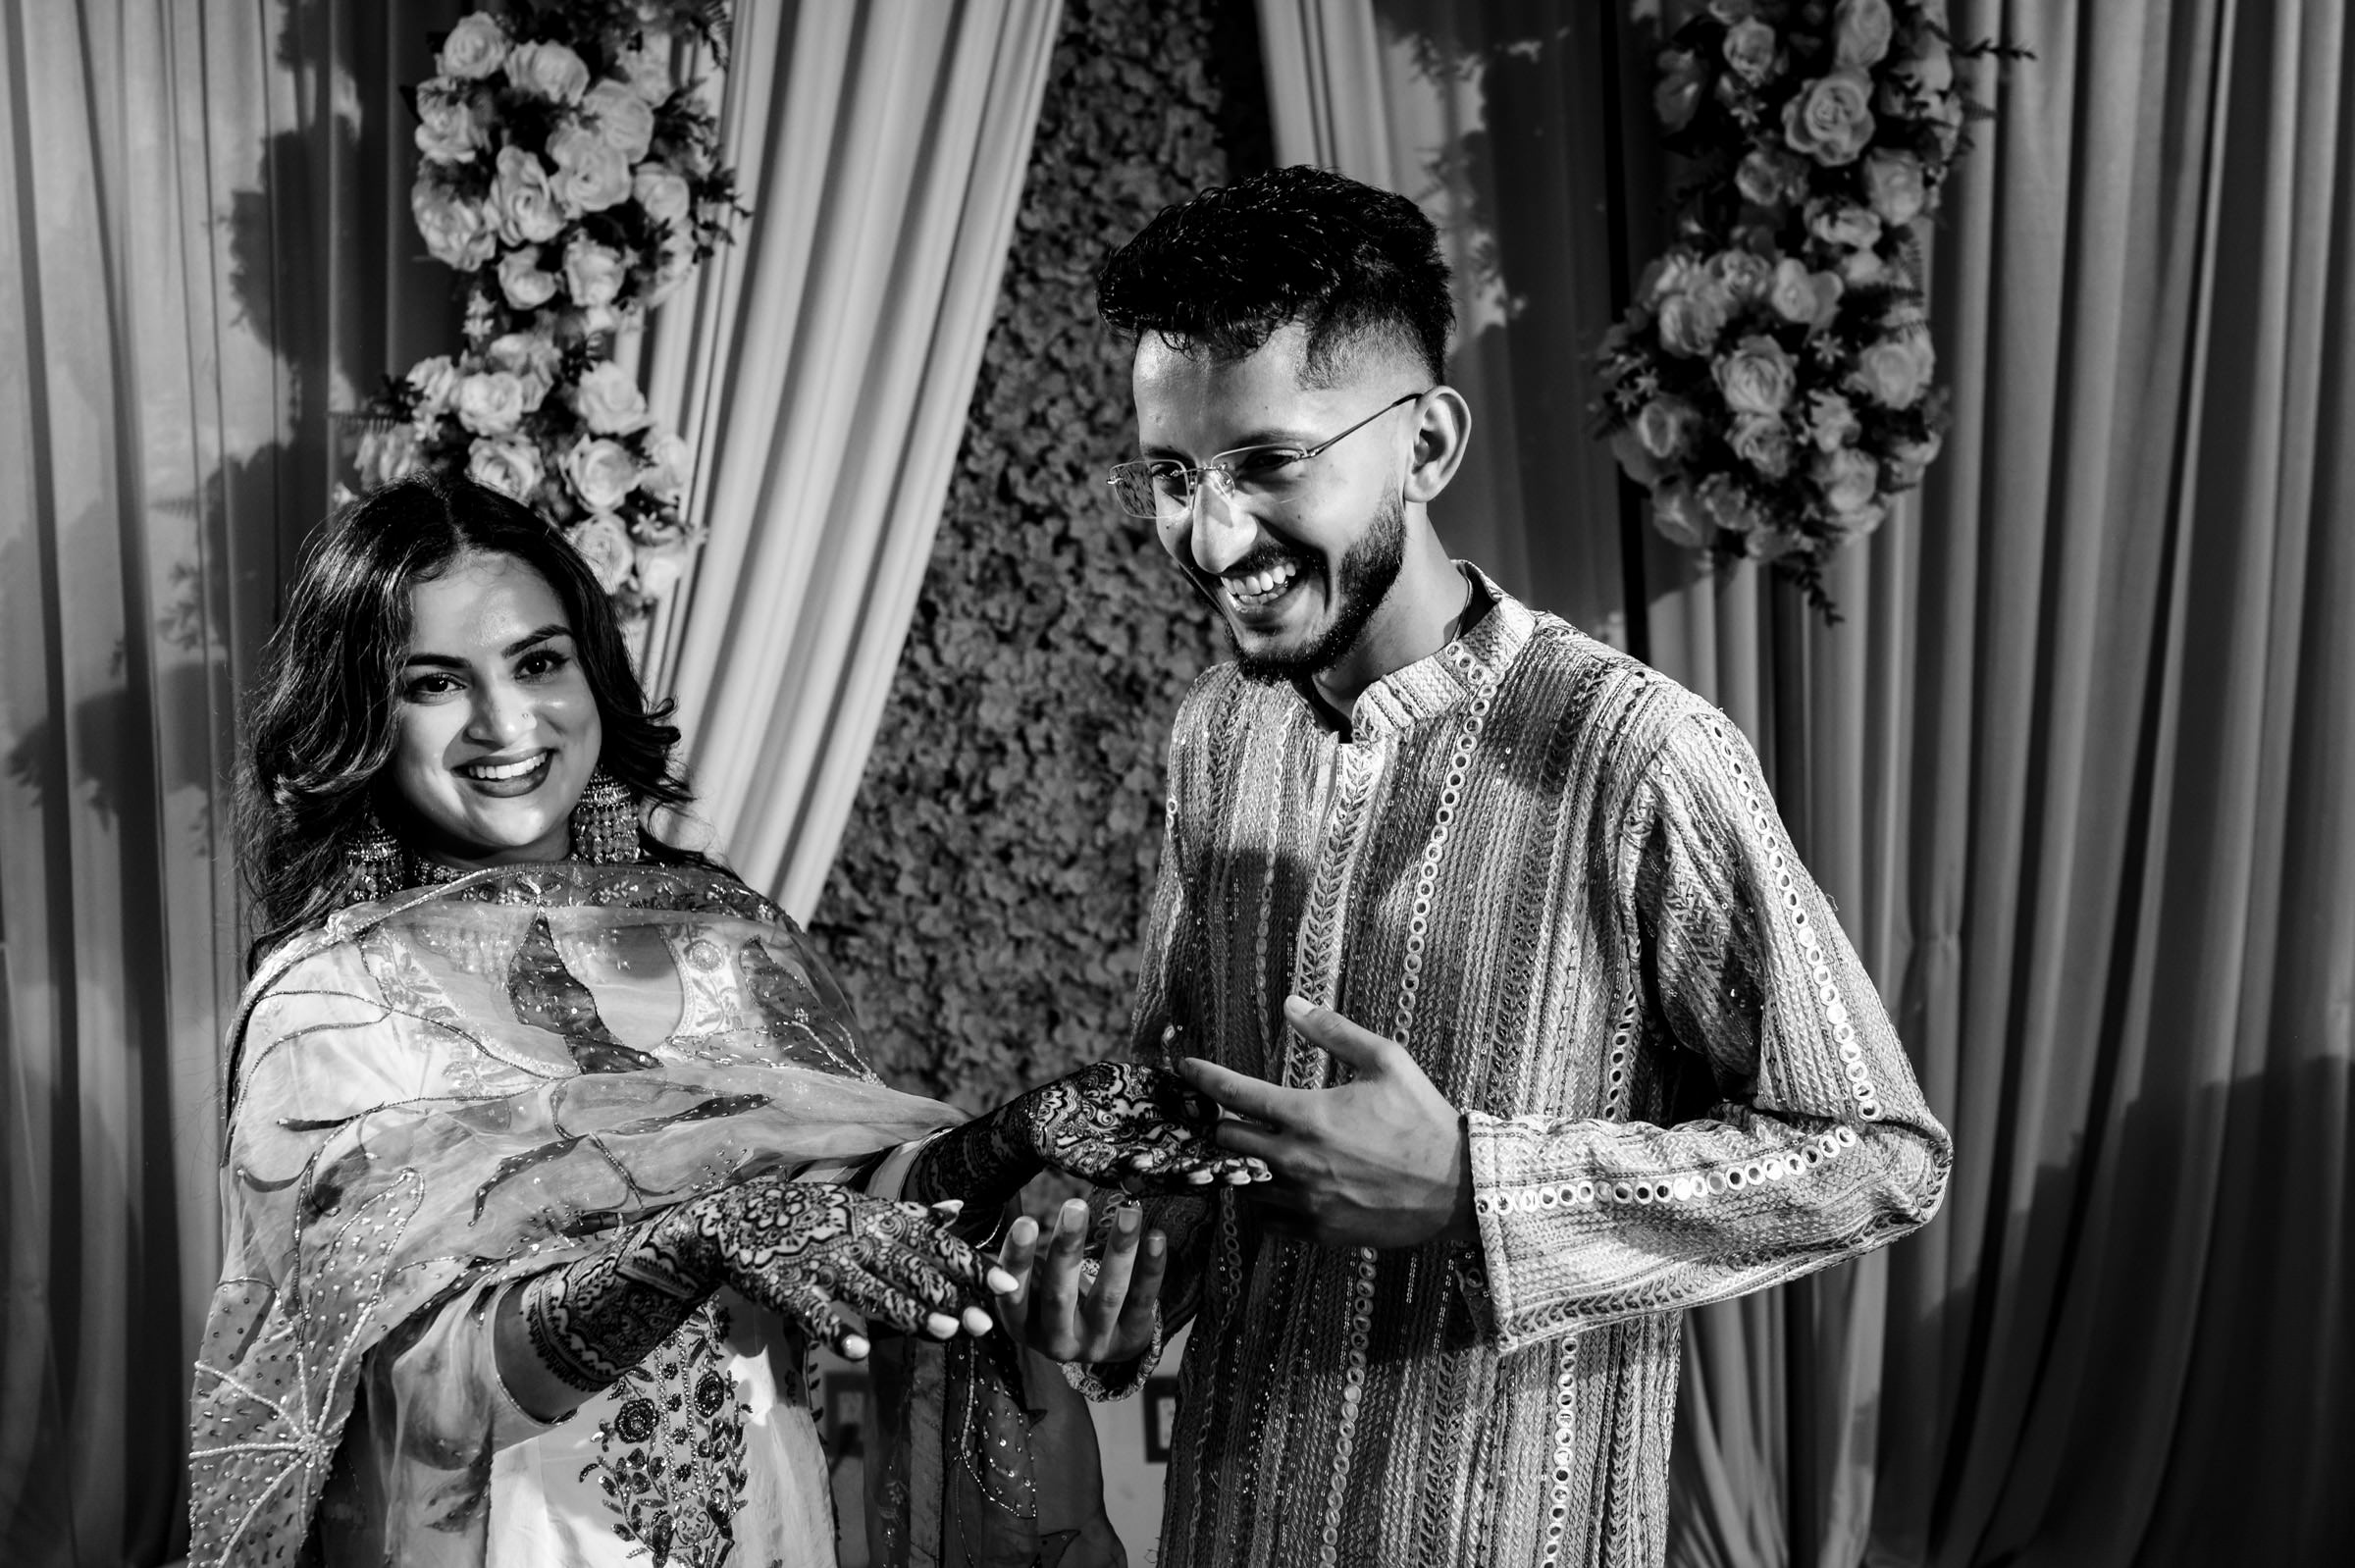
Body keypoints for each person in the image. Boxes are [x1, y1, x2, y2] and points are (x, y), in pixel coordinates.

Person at [1016, 166, 1954, 1567]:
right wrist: (1126, 1259)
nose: (1210, 538)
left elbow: (1876, 1154)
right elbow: (1191, 1116)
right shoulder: (1217, 735)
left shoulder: (1633, 750)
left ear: (1429, 442)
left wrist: (1475, 1187)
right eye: (1173, 476)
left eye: (1269, 462)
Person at [188, 473, 1238, 1568]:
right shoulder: (334, 998)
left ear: (592, 668)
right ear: (362, 715)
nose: (506, 722)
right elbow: (412, 1378)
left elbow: (853, 1221)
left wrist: (1012, 1134)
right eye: (435, 683)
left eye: (539, 662)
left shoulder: (722, 943)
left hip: (767, 1525)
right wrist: (687, 1242)